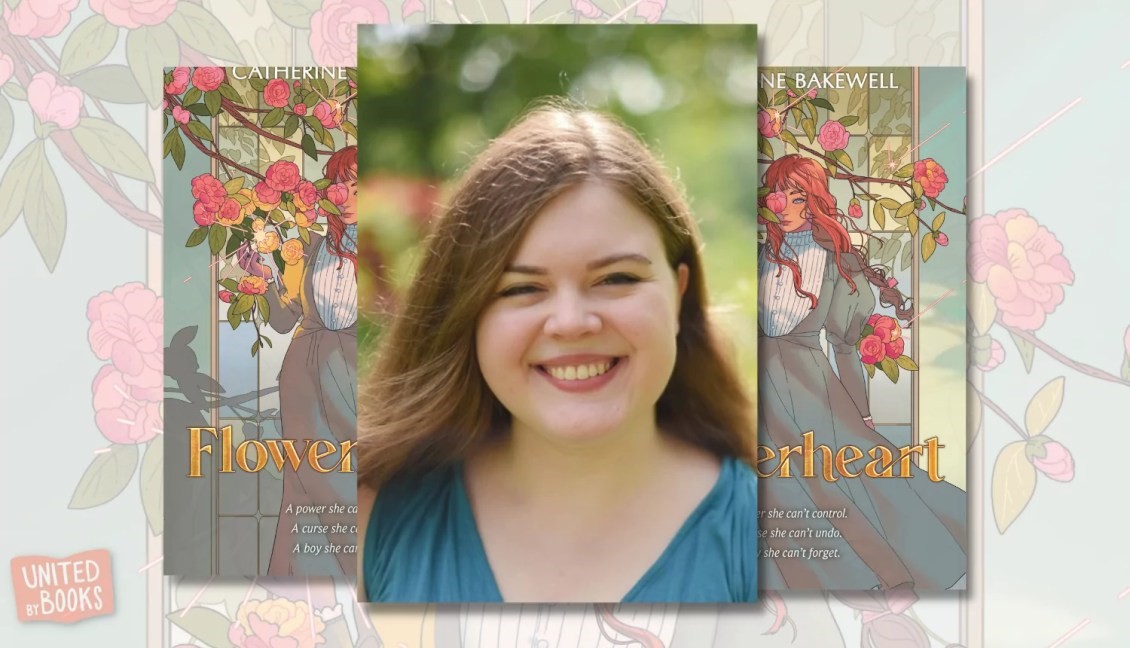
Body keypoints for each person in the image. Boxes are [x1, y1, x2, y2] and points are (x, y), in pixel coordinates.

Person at [356, 105, 759, 603]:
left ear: (678, 295)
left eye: (616, 279)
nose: (571, 322)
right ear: (467, 314)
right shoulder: (367, 519)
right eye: (522, 288)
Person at [756, 153, 967, 591]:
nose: (787, 206)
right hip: (757, 378)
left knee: (844, 469)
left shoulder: (838, 263)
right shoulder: (757, 255)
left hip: (808, 381)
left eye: (799, 197)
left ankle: (891, 572)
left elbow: (844, 345)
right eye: (780, 194)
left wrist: (861, 409)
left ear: (814, 203)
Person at [258, 144, 360, 577]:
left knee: (347, 480)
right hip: (303, 372)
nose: (347, 196)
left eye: (358, 186)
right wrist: (263, 277)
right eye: (340, 185)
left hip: (355, 371)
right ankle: (287, 580)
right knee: (301, 481)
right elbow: (284, 319)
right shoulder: (311, 245)